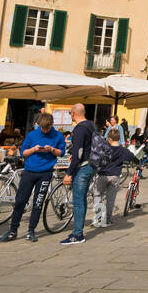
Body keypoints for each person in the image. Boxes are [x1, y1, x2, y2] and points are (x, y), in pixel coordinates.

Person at [0, 112, 66, 243]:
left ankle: (31, 231)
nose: (45, 130)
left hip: (45, 173)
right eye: (43, 128)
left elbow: (61, 152)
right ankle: (13, 230)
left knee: (38, 203)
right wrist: (34, 149)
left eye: (47, 128)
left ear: (52, 125)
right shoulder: (32, 134)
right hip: (29, 171)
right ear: (39, 125)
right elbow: (24, 152)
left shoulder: (57, 135)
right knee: (20, 201)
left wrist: (52, 149)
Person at [58, 104, 97, 245]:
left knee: (78, 201)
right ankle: (78, 230)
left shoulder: (79, 129)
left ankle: (78, 234)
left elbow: (78, 153)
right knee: (83, 199)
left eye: (70, 113)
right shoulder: (92, 125)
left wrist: (69, 173)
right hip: (92, 165)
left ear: (74, 113)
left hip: (83, 167)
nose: (70, 116)